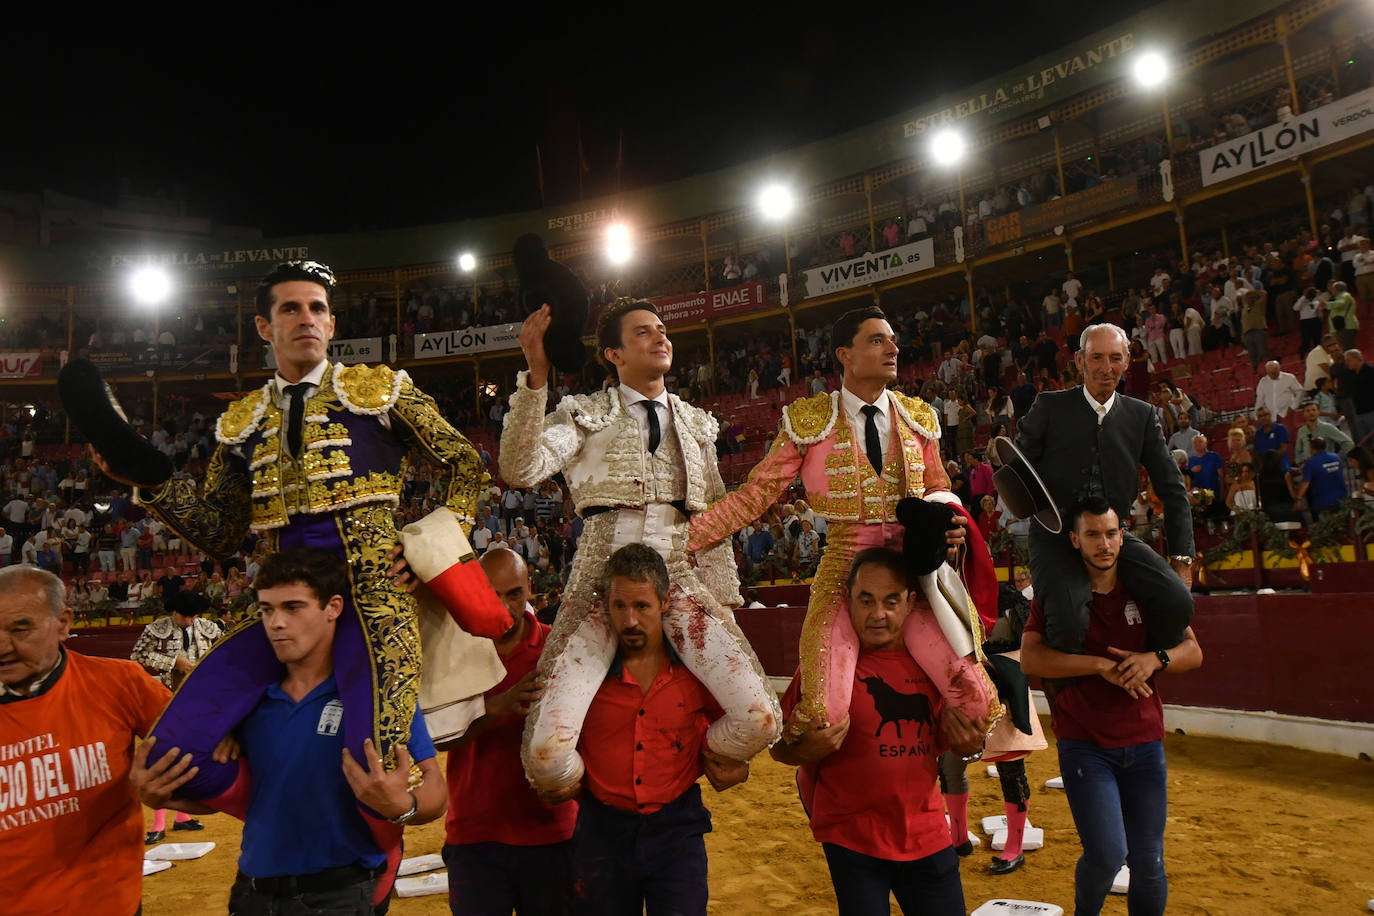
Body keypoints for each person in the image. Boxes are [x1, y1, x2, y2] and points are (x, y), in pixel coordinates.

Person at [94, 260, 493, 900]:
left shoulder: (382, 389)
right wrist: (150, 479)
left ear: (331, 322)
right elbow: (222, 530)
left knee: (380, 768)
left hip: (374, 601)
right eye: (289, 309)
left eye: (316, 308)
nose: (305, 318)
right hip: (282, 603)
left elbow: (466, 464)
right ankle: (279, 825)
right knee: (177, 748)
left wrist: (427, 552)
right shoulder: (242, 419)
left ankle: (371, 880)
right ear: (264, 326)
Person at [501, 298, 779, 793]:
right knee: (546, 759)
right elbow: (521, 471)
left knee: (759, 719)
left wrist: (726, 606)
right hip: (596, 586)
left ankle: (685, 763)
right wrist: (535, 377)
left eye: (663, 329)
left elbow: (713, 520)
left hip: (680, 582)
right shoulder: (585, 414)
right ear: (614, 354)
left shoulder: (696, 424)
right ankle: (607, 794)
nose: (661, 338)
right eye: (644, 332)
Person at [689, 306, 996, 741]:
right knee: (822, 714)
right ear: (844, 355)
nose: (893, 348)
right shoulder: (810, 420)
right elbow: (755, 495)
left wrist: (946, 522)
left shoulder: (917, 416)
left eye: (892, 340)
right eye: (877, 340)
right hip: (843, 574)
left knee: (978, 702)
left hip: (913, 575)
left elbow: (939, 490)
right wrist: (685, 539)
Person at [132, 547, 448, 915]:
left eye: (293, 608)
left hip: (341, 892)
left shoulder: (374, 696)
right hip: (253, 889)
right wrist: (161, 798)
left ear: (332, 607)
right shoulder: (247, 706)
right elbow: (250, 798)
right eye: (267, 610)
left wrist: (403, 806)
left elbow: (435, 792)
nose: (276, 623)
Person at [770, 548, 989, 915]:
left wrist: (971, 748)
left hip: (927, 831)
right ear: (849, 600)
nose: (878, 614)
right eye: (866, 600)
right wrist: (801, 751)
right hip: (851, 839)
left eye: (891, 601)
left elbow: (961, 744)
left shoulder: (936, 668)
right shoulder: (823, 672)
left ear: (910, 601)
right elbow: (779, 747)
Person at [539, 545, 750, 916]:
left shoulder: (697, 668)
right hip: (602, 835)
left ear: (665, 603)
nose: (630, 621)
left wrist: (738, 766)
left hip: (676, 833)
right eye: (620, 606)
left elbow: (734, 723)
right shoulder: (584, 675)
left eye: (641, 607)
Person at [1021, 498, 1202, 916]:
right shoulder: (1058, 595)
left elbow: (1193, 650)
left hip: (1144, 743)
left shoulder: (1146, 589)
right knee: (1106, 856)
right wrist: (1099, 665)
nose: (1103, 544)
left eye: (1110, 533)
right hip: (1085, 743)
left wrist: (1154, 659)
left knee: (1149, 864)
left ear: (1123, 535)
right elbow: (1031, 659)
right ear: (1074, 540)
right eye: (1092, 535)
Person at [1014, 323, 1194, 664]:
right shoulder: (1049, 406)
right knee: (1067, 620)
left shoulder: (1142, 416)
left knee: (1177, 601)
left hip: (1114, 537)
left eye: (1114, 358)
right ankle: (1073, 701)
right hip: (1055, 535)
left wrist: (1182, 559)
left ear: (1127, 361)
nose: (1105, 367)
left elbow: (1172, 489)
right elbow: (1017, 471)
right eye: (1096, 357)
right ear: (1080, 360)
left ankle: (1140, 670)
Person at [0, 566, 173, 916]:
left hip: (108, 903)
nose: (2, 646)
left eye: (20, 628)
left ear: (63, 623)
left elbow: (205, 755)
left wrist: (172, 788)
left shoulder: (120, 683)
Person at [440, 547, 577, 915]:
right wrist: (498, 706)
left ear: (530, 588)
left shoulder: (559, 650)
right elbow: (441, 738)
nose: (503, 606)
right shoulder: (455, 656)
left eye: (514, 593)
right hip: (475, 838)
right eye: (491, 594)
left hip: (552, 834)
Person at [129, 589, 223, 842]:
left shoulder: (209, 627)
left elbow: (224, 656)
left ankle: (182, 817)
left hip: (200, 701)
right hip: (166, 699)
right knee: (164, 755)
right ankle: (158, 825)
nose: (190, 621)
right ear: (173, 612)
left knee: (189, 757)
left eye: (193, 616)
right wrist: (174, 661)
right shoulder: (155, 629)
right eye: (185, 617)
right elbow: (137, 656)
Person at [1296, 437, 1348, 517]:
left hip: (1324, 502)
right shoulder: (1336, 457)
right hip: (1342, 498)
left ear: (1311, 448)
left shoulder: (1310, 463)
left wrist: (1298, 499)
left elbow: (1305, 483)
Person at [1294, 399, 1353, 466]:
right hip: (1309, 466)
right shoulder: (1301, 431)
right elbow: (1298, 450)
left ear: (1318, 412)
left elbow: (1349, 443)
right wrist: (1300, 463)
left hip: (1326, 465)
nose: (1311, 413)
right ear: (1303, 414)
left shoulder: (1327, 427)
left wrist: (1337, 458)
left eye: (1313, 410)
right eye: (1308, 411)